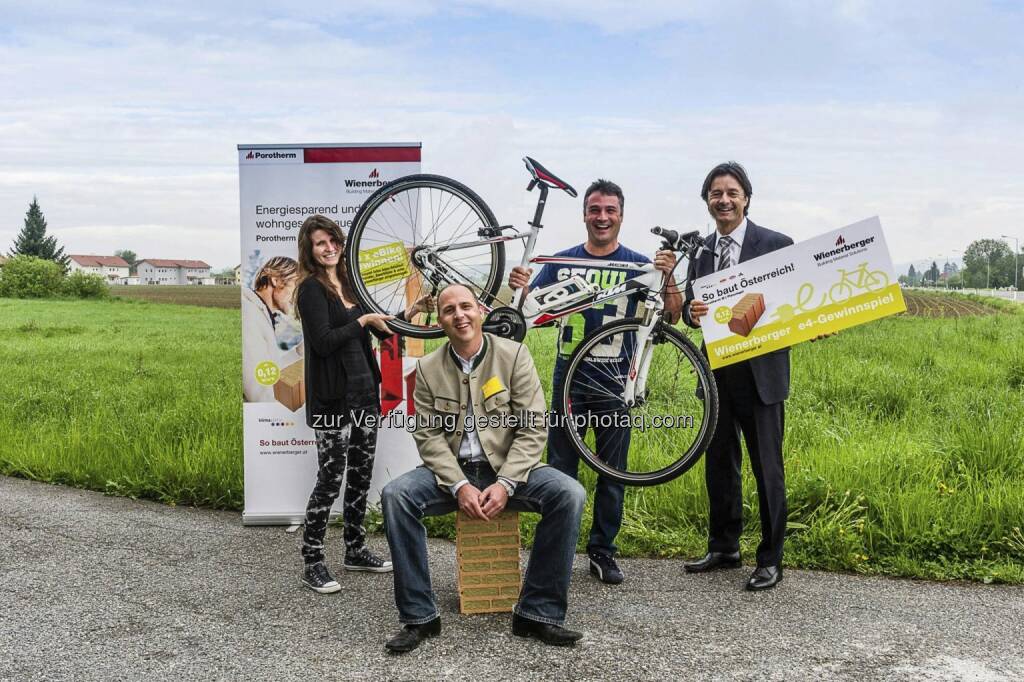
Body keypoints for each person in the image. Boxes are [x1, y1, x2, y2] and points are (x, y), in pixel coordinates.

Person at [380, 283, 587, 653]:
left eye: (465, 307)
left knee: (569, 493)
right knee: (396, 495)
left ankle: (537, 613)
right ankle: (419, 617)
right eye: (448, 310)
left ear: (480, 311)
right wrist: (459, 485)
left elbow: (533, 426)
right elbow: (428, 438)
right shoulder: (428, 369)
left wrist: (506, 483)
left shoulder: (514, 355)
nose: (459, 315)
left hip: (510, 469)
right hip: (454, 473)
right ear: (439, 320)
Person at [508, 179, 682, 585]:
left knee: (613, 472)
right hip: (568, 379)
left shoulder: (641, 264)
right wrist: (519, 287)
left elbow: (671, 316)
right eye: (594, 210)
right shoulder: (562, 261)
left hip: (616, 382)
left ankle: (603, 550)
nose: (602, 217)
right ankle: (556, 551)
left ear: (621, 215)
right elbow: (527, 314)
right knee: (559, 469)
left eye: (610, 211)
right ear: (584, 214)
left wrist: (668, 276)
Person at [294, 214, 431, 594]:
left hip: (363, 394)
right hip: (332, 399)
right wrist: (363, 319)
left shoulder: (352, 285)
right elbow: (323, 340)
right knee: (330, 477)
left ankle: (355, 549)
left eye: (333, 240)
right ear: (310, 249)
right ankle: (313, 560)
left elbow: (382, 328)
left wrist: (414, 308)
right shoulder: (310, 290)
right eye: (320, 243)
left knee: (360, 474)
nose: (329, 247)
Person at [681, 162, 793, 591]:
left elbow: (796, 306)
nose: (723, 200)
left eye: (731, 192)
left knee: (768, 467)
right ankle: (724, 546)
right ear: (707, 200)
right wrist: (693, 313)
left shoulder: (776, 244)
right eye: (715, 193)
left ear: (746, 197)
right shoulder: (702, 251)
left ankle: (771, 557)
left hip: (762, 376)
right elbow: (697, 314)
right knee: (720, 464)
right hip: (718, 375)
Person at [241, 256, 301, 403]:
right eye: (296, 286)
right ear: (276, 280)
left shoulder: (260, 314)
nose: (297, 296)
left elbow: (267, 371)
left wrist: (300, 353)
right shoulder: (249, 314)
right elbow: (260, 393)